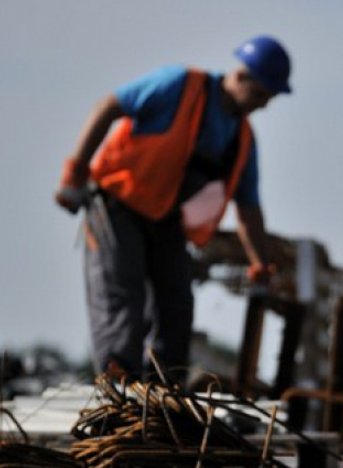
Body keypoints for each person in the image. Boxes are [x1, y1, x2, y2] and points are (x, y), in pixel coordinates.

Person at [54, 35, 292, 379]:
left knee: (176, 303)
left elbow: (248, 209)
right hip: (117, 203)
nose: (262, 105)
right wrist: (75, 173)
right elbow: (109, 106)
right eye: (259, 95)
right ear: (240, 76)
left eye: (268, 99)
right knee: (123, 297)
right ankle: (119, 388)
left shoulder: (241, 140)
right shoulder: (178, 86)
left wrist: (260, 267)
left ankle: (164, 393)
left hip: (165, 219)